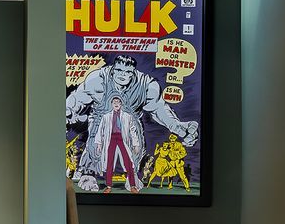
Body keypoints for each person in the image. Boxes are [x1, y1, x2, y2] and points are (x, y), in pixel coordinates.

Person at [66, 54, 199, 193]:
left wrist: (178, 127)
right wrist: (66, 111)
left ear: (133, 72)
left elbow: (159, 109)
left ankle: (132, 176)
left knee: (135, 144)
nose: (122, 75)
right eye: (119, 70)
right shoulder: (98, 79)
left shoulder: (146, 85)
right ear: (113, 69)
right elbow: (77, 98)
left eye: (127, 72)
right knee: (96, 139)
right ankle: (88, 173)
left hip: (130, 122)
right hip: (101, 119)